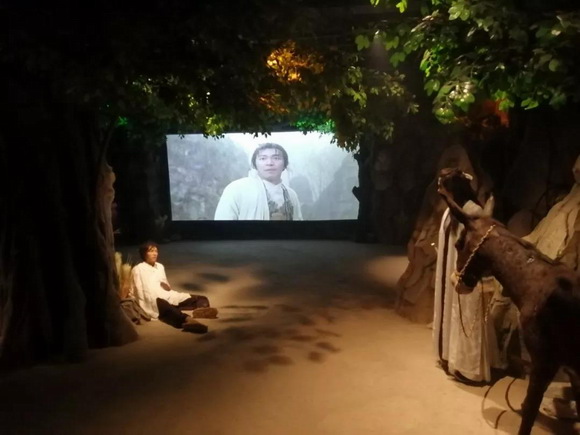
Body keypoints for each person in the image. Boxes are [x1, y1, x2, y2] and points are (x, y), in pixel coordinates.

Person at [433, 168, 505, 383]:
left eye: (442, 187)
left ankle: (470, 368)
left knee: (467, 314)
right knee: (451, 310)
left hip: (466, 272)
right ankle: (450, 356)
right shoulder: (451, 210)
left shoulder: (472, 210)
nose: (439, 190)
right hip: (450, 269)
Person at [131, 242, 218, 333]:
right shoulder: (138, 269)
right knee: (169, 310)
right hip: (154, 300)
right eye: (151, 251)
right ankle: (189, 321)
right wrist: (143, 306)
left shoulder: (160, 267)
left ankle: (201, 312)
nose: (155, 253)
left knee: (201, 298)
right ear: (144, 253)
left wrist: (166, 287)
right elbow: (138, 290)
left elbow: (167, 286)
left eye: (156, 251)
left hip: (167, 295)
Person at [214, 143, 303, 220]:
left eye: (276, 158)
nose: (269, 163)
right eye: (263, 158)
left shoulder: (291, 195)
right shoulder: (236, 189)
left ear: (284, 164)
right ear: (255, 164)